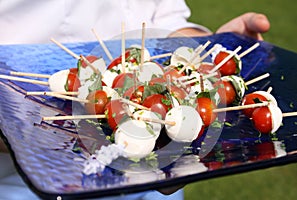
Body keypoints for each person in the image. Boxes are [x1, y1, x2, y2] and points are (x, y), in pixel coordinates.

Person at [0, 0, 270, 199]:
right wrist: (14, 124)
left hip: (154, 172)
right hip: (23, 180)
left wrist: (210, 49)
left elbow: (166, 19)